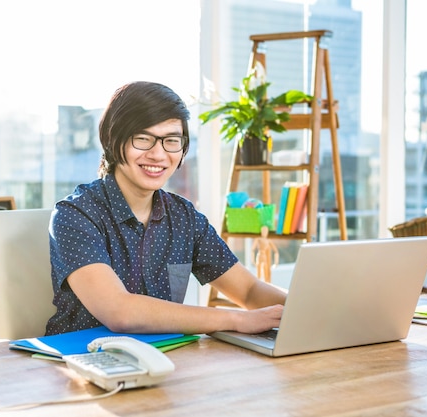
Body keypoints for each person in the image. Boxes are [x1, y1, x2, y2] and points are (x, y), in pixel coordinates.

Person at [46, 81, 286, 336]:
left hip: (166, 360)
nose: (159, 155)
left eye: (171, 141)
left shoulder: (184, 217)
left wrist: (308, 309)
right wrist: (237, 319)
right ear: (112, 140)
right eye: (143, 139)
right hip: (82, 362)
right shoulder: (75, 214)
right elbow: (119, 311)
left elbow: (248, 290)